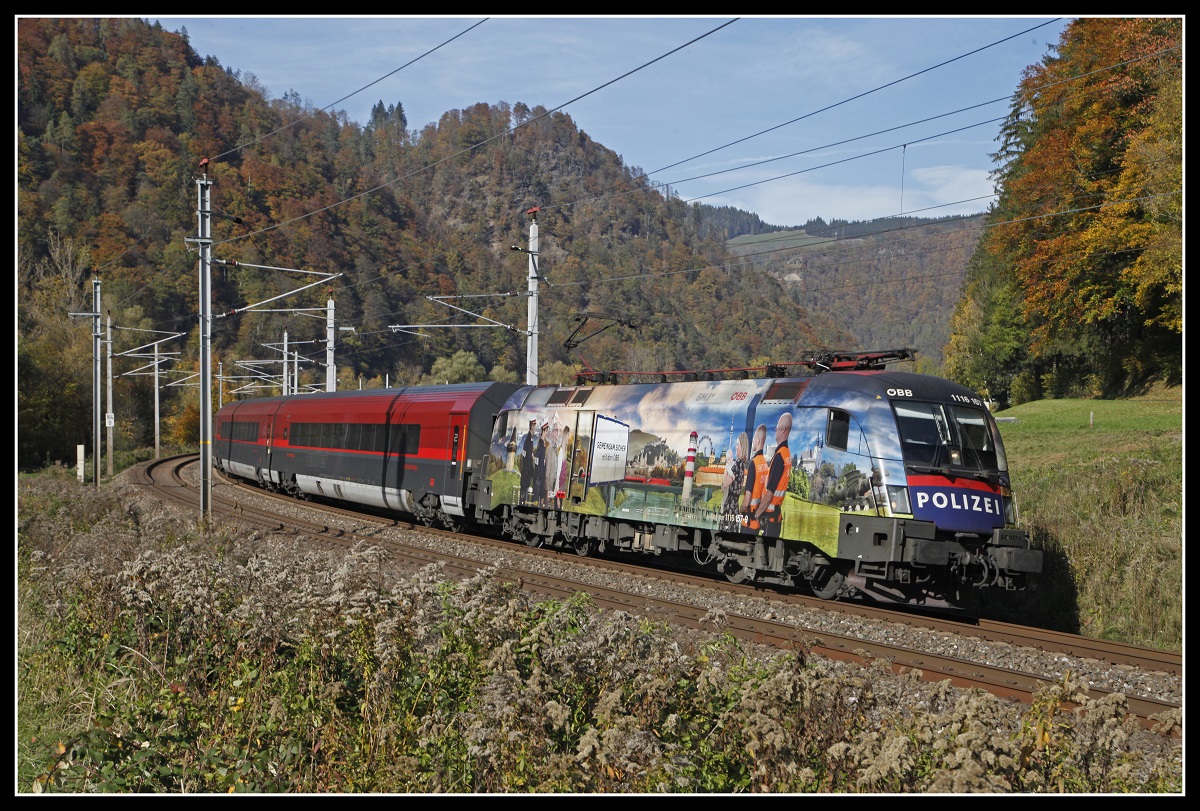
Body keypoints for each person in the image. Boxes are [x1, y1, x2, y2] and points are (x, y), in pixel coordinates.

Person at [754, 412, 793, 537]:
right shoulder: (787, 454)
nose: (775, 429)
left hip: (770, 519)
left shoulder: (779, 457)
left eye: (778, 426)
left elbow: (769, 495)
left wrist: (756, 514)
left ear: (783, 430)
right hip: (776, 516)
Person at [719, 432, 749, 532]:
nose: (736, 447)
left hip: (729, 507)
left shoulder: (738, 464)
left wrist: (722, 486)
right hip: (734, 506)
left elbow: (725, 484)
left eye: (738, 445)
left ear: (742, 447)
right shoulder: (742, 464)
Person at [741, 424, 769, 533]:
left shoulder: (754, 463)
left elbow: (747, 499)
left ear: (758, 441)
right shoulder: (765, 464)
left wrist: (738, 512)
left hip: (748, 521)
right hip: (757, 520)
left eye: (753, 440)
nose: (752, 442)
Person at [519, 419, 537, 504]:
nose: (535, 427)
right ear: (532, 426)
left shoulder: (530, 439)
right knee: (524, 488)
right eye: (534, 425)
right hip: (526, 470)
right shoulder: (528, 439)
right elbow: (525, 454)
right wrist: (530, 469)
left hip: (527, 470)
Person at [533, 423, 549, 506]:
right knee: (538, 499)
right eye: (546, 431)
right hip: (539, 476)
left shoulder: (542, 443)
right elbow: (538, 461)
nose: (547, 433)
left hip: (540, 475)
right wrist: (539, 476)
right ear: (542, 431)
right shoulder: (540, 444)